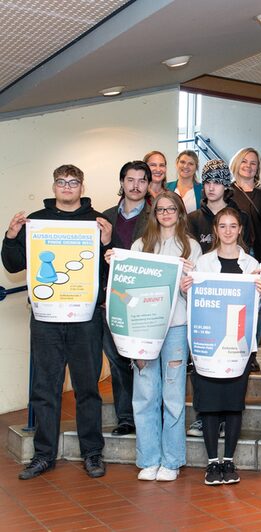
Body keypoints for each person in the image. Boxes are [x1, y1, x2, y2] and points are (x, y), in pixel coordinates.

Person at [3, 164, 111, 480]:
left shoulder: (97, 221)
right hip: (46, 319)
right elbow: (13, 264)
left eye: (73, 182)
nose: (67, 187)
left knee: (87, 388)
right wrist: (10, 237)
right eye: (61, 182)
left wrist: (106, 243)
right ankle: (43, 455)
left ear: (81, 186)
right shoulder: (35, 221)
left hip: (85, 319)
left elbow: (106, 271)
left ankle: (92, 453)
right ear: (53, 186)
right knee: (44, 389)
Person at [120, 190, 202, 482]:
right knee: (144, 395)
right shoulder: (140, 245)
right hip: (144, 329)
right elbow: (128, 287)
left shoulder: (191, 247)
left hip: (176, 328)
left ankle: (172, 460)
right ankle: (149, 458)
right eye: (161, 210)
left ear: (180, 213)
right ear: (154, 214)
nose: (166, 214)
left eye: (171, 209)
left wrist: (188, 285)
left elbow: (196, 294)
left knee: (173, 396)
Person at [181, 207, 261, 486]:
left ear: (240, 229)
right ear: (215, 230)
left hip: (238, 346)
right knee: (210, 406)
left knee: (232, 405)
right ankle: (211, 463)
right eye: (223, 226)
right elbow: (193, 300)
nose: (228, 231)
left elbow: (255, 309)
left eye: (233, 226)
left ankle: (228, 461)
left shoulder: (252, 265)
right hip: (208, 345)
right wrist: (186, 287)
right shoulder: (202, 264)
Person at [186, 159, 256, 437]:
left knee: (232, 357)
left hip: (235, 300)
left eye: (216, 181)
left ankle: (228, 416)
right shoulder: (192, 218)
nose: (211, 186)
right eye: (207, 181)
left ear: (226, 184)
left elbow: (250, 251)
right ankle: (204, 416)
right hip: (205, 304)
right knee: (202, 361)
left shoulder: (242, 216)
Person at [101, 160, 153, 437]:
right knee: (118, 360)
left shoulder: (157, 215)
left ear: (148, 184)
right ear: (121, 182)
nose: (135, 186)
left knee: (145, 359)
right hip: (112, 299)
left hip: (145, 298)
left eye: (141, 180)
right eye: (130, 180)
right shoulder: (104, 216)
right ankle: (126, 417)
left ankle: (148, 413)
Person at [187, 159, 253, 254]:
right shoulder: (192, 219)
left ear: (226, 186)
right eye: (207, 182)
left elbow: (245, 252)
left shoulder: (242, 218)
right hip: (200, 268)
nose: (211, 188)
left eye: (217, 183)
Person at [229, 147, 261, 262]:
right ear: (236, 163)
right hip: (234, 251)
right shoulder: (226, 193)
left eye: (253, 163)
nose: (248, 166)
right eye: (244, 161)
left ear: (258, 168)